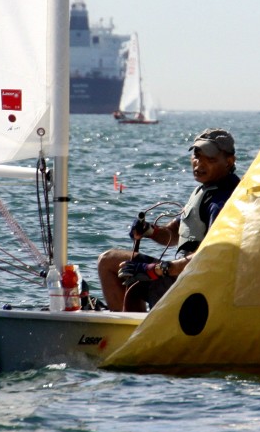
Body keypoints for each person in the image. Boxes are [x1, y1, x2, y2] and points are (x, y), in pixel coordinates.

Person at [97, 128, 240, 312]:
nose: (200, 164)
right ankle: (132, 330)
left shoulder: (223, 200)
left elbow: (210, 257)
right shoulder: (207, 189)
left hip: (200, 287)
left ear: (229, 161)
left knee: (109, 262)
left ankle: (130, 333)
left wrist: (157, 269)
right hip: (184, 274)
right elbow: (173, 234)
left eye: (210, 159)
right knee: (115, 266)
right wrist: (149, 231)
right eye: (197, 156)